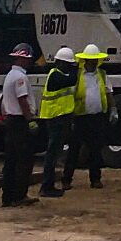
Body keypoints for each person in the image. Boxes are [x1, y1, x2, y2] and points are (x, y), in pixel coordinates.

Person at [54, 43, 114, 191]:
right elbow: (70, 94)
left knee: (96, 150)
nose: (93, 63)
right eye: (90, 60)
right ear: (85, 61)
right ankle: (66, 179)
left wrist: (113, 109)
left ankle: (95, 179)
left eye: (95, 61)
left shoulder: (102, 75)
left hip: (97, 118)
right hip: (80, 118)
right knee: (74, 151)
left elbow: (108, 92)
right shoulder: (77, 75)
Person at [0, 44, 38, 208]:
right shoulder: (20, 77)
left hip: (12, 121)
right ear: (21, 58)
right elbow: (23, 100)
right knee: (23, 160)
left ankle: (7, 197)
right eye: (27, 59)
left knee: (11, 160)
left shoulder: (10, 75)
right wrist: (30, 120)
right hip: (19, 122)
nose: (29, 62)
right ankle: (19, 195)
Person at [37, 47, 78, 197]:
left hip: (61, 118)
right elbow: (71, 80)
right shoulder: (55, 76)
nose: (69, 66)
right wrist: (77, 68)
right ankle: (46, 186)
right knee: (52, 154)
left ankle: (49, 185)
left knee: (55, 153)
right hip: (54, 118)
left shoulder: (61, 74)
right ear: (60, 62)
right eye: (67, 63)